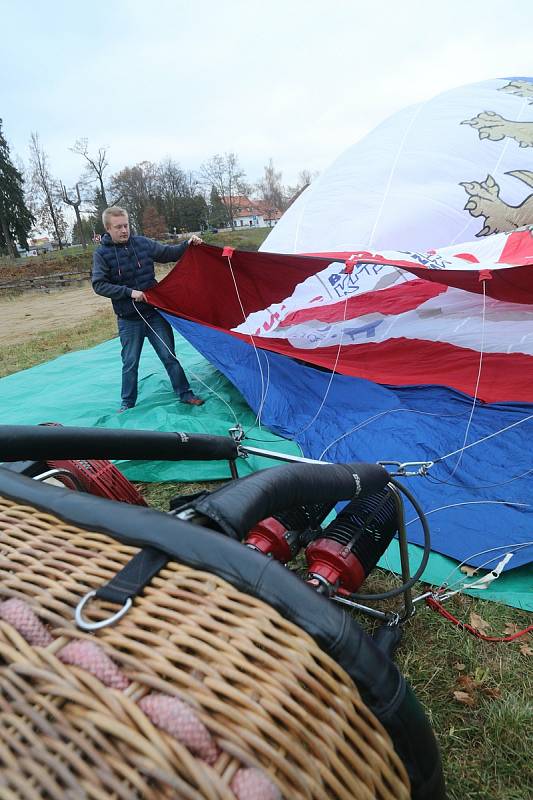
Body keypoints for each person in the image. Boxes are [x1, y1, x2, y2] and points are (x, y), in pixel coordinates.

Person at [92, 206, 204, 411]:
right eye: (118, 227)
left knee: (169, 356)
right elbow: (99, 284)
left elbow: (168, 253)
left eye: (126, 225)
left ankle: (185, 394)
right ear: (108, 229)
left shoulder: (142, 244)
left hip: (154, 314)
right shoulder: (102, 254)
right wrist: (129, 292)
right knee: (130, 363)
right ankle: (127, 403)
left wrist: (188, 244)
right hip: (128, 319)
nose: (124, 230)